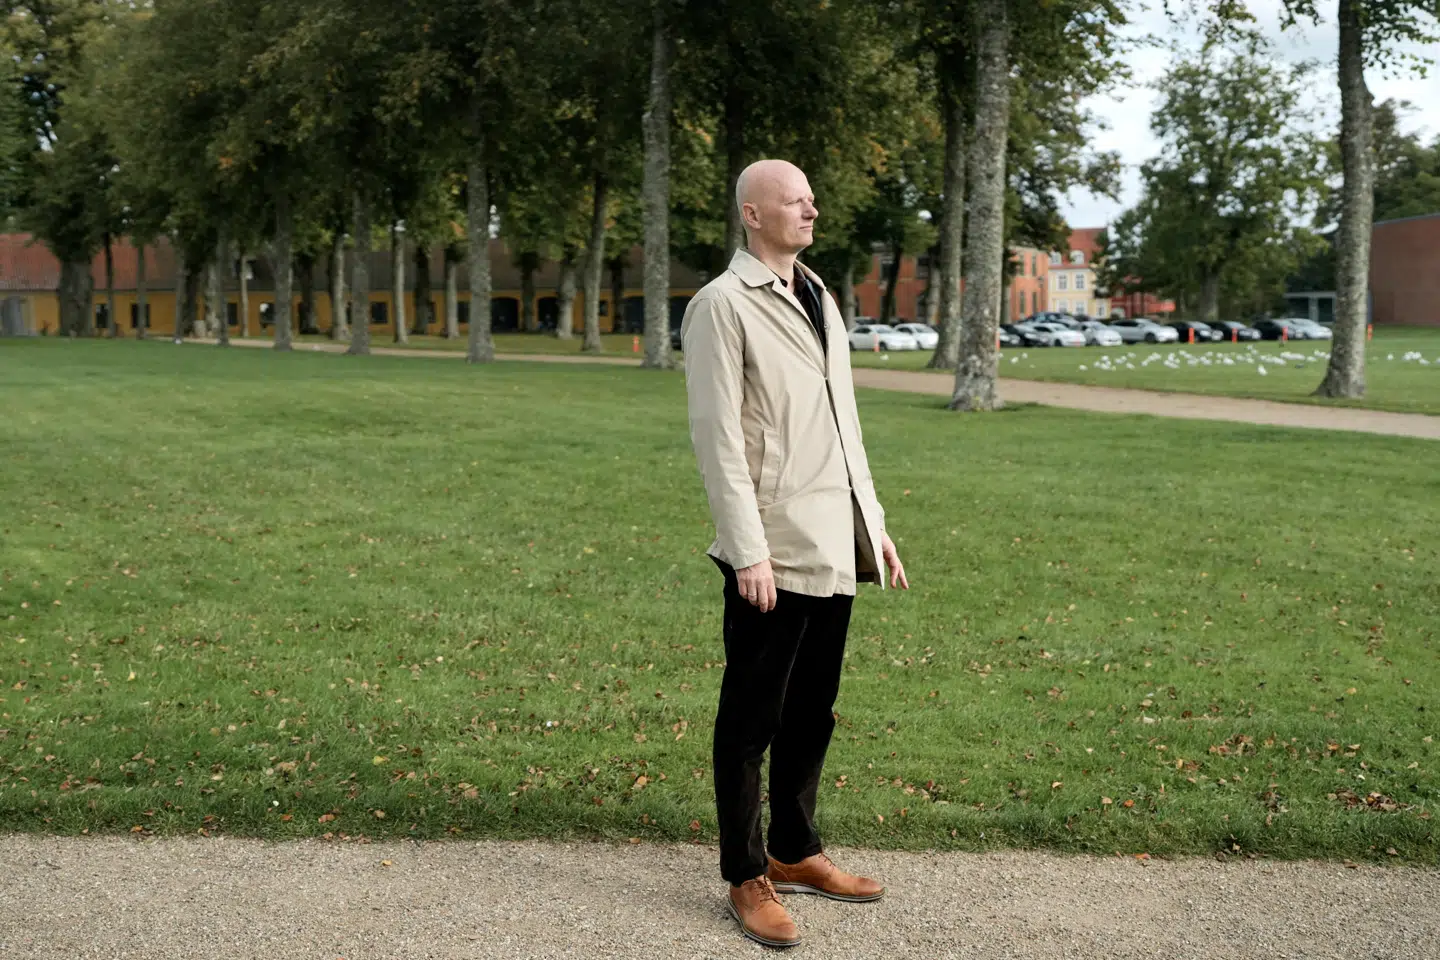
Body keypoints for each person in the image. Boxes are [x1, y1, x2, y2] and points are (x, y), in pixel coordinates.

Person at [680, 158, 909, 949]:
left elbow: (845, 425)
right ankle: (746, 874)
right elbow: (717, 442)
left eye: (813, 195)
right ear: (752, 213)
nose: (812, 208)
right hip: (769, 550)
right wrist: (747, 551)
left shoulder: (817, 295)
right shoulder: (721, 306)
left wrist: (871, 523)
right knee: (751, 719)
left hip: (832, 543)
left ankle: (794, 849)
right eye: (795, 199)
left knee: (813, 710)